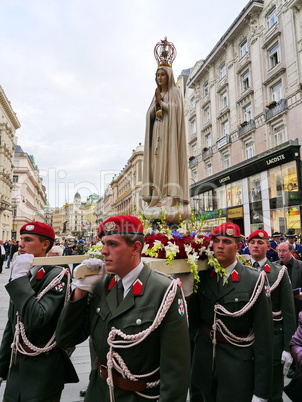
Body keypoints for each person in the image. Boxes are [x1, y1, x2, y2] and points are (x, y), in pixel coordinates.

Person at [56, 215, 190, 401]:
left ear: (135, 248)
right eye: (103, 243)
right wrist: (80, 291)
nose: (103, 251)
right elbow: (66, 338)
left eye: (112, 244)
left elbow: (176, 368)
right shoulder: (100, 286)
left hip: (138, 396)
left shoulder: (163, 290)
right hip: (99, 392)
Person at [188, 222, 274, 402]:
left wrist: (262, 391)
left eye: (226, 241)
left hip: (237, 363)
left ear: (239, 246)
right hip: (203, 361)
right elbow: (193, 323)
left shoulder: (254, 280)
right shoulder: (200, 276)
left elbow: (264, 337)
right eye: (216, 241)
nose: (219, 246)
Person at [0, 221, 78, 401]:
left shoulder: (57, 275)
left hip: (43, 367)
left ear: (45, 245)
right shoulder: (24, 273)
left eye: (27, 240)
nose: (20, 244)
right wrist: (2, 367)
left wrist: (19, 279)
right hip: (17, 365)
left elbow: (37, 318)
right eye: (21, 239)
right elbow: (13, 325)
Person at [142, 37, 190, 222]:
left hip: (170, 137)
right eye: (157, 75)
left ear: (168, 76)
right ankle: (158, 195)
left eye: (162, 75)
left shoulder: (175, 92)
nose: (159, 78)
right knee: (157, 165)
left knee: (169, 163)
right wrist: (156, 105)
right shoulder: (156, 94)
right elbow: (149, 115)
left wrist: (163, 103)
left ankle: (171, 195)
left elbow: (177, 111)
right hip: (157, 136)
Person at [247, 229, 296, 401]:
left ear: (268, 247)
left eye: (260, 243)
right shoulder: (241, 270)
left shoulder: (279, 272)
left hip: (273, 339)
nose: (256, 245)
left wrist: (287, 347)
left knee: (274, 390)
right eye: (252, 242)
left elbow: (289, 311)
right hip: (246, 340)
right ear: (247, 245)